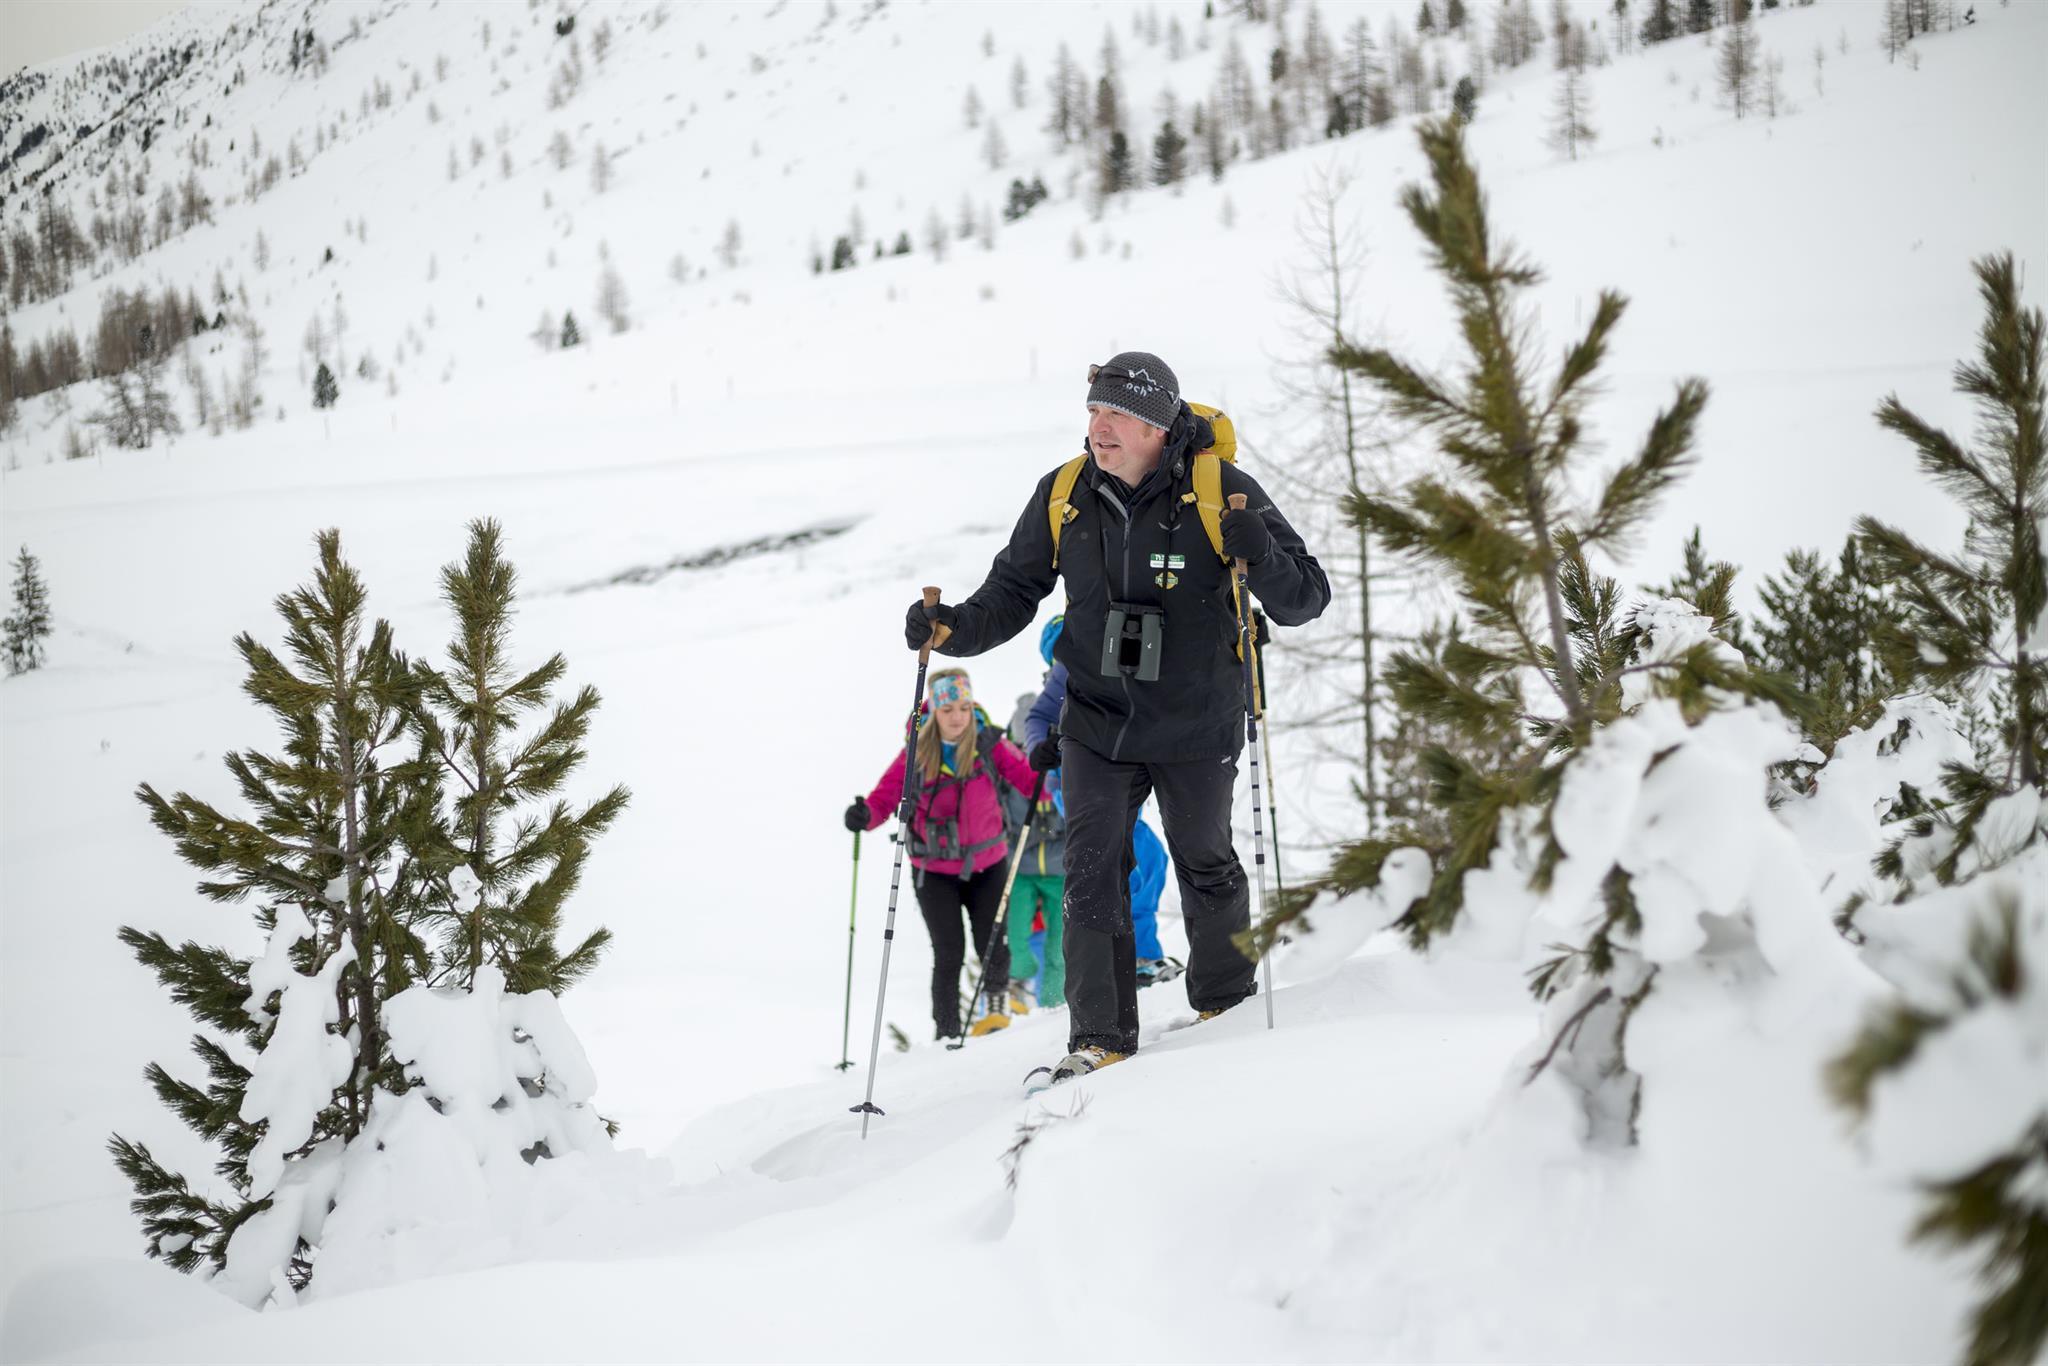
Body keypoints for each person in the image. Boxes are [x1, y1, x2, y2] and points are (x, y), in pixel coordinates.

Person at [904, 352, 1330, 1083]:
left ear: (1159, 427)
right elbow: (1013, 591)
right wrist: (952, 630)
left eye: (1119, 415)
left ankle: (1223, 1005)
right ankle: (1100, 1039)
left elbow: (1305, 600)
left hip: (1198, 719)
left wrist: (1261, 555)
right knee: (1091, 870)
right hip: (1097, 720)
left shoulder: (1218, 489)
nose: (1100, 428)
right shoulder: (1064, 493)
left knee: (1204, 860)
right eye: (1094, 412)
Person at [845, 668, 1037, 1042]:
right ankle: (946, 1034)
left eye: (964, 707)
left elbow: (1031, 781)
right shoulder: (916, 753)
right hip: (933, 872)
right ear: (934, 712)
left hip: (988, 864)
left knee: (993, 943)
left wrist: (1055, 763)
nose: (958, 717)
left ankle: (996, 1010)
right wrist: (864, 815)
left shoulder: (989, 744)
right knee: (949, 953)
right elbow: (884, 799)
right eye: (948, 709)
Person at [1021, 616, 1180, 990]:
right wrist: (1039, 747)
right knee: (1126, 860)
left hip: (1119, 778)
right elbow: (1036, 719)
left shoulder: (1114, 666)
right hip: (1073, 785)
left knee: (1148, 857)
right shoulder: (1063, 678)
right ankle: (1129, 957)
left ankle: (1140, 953)